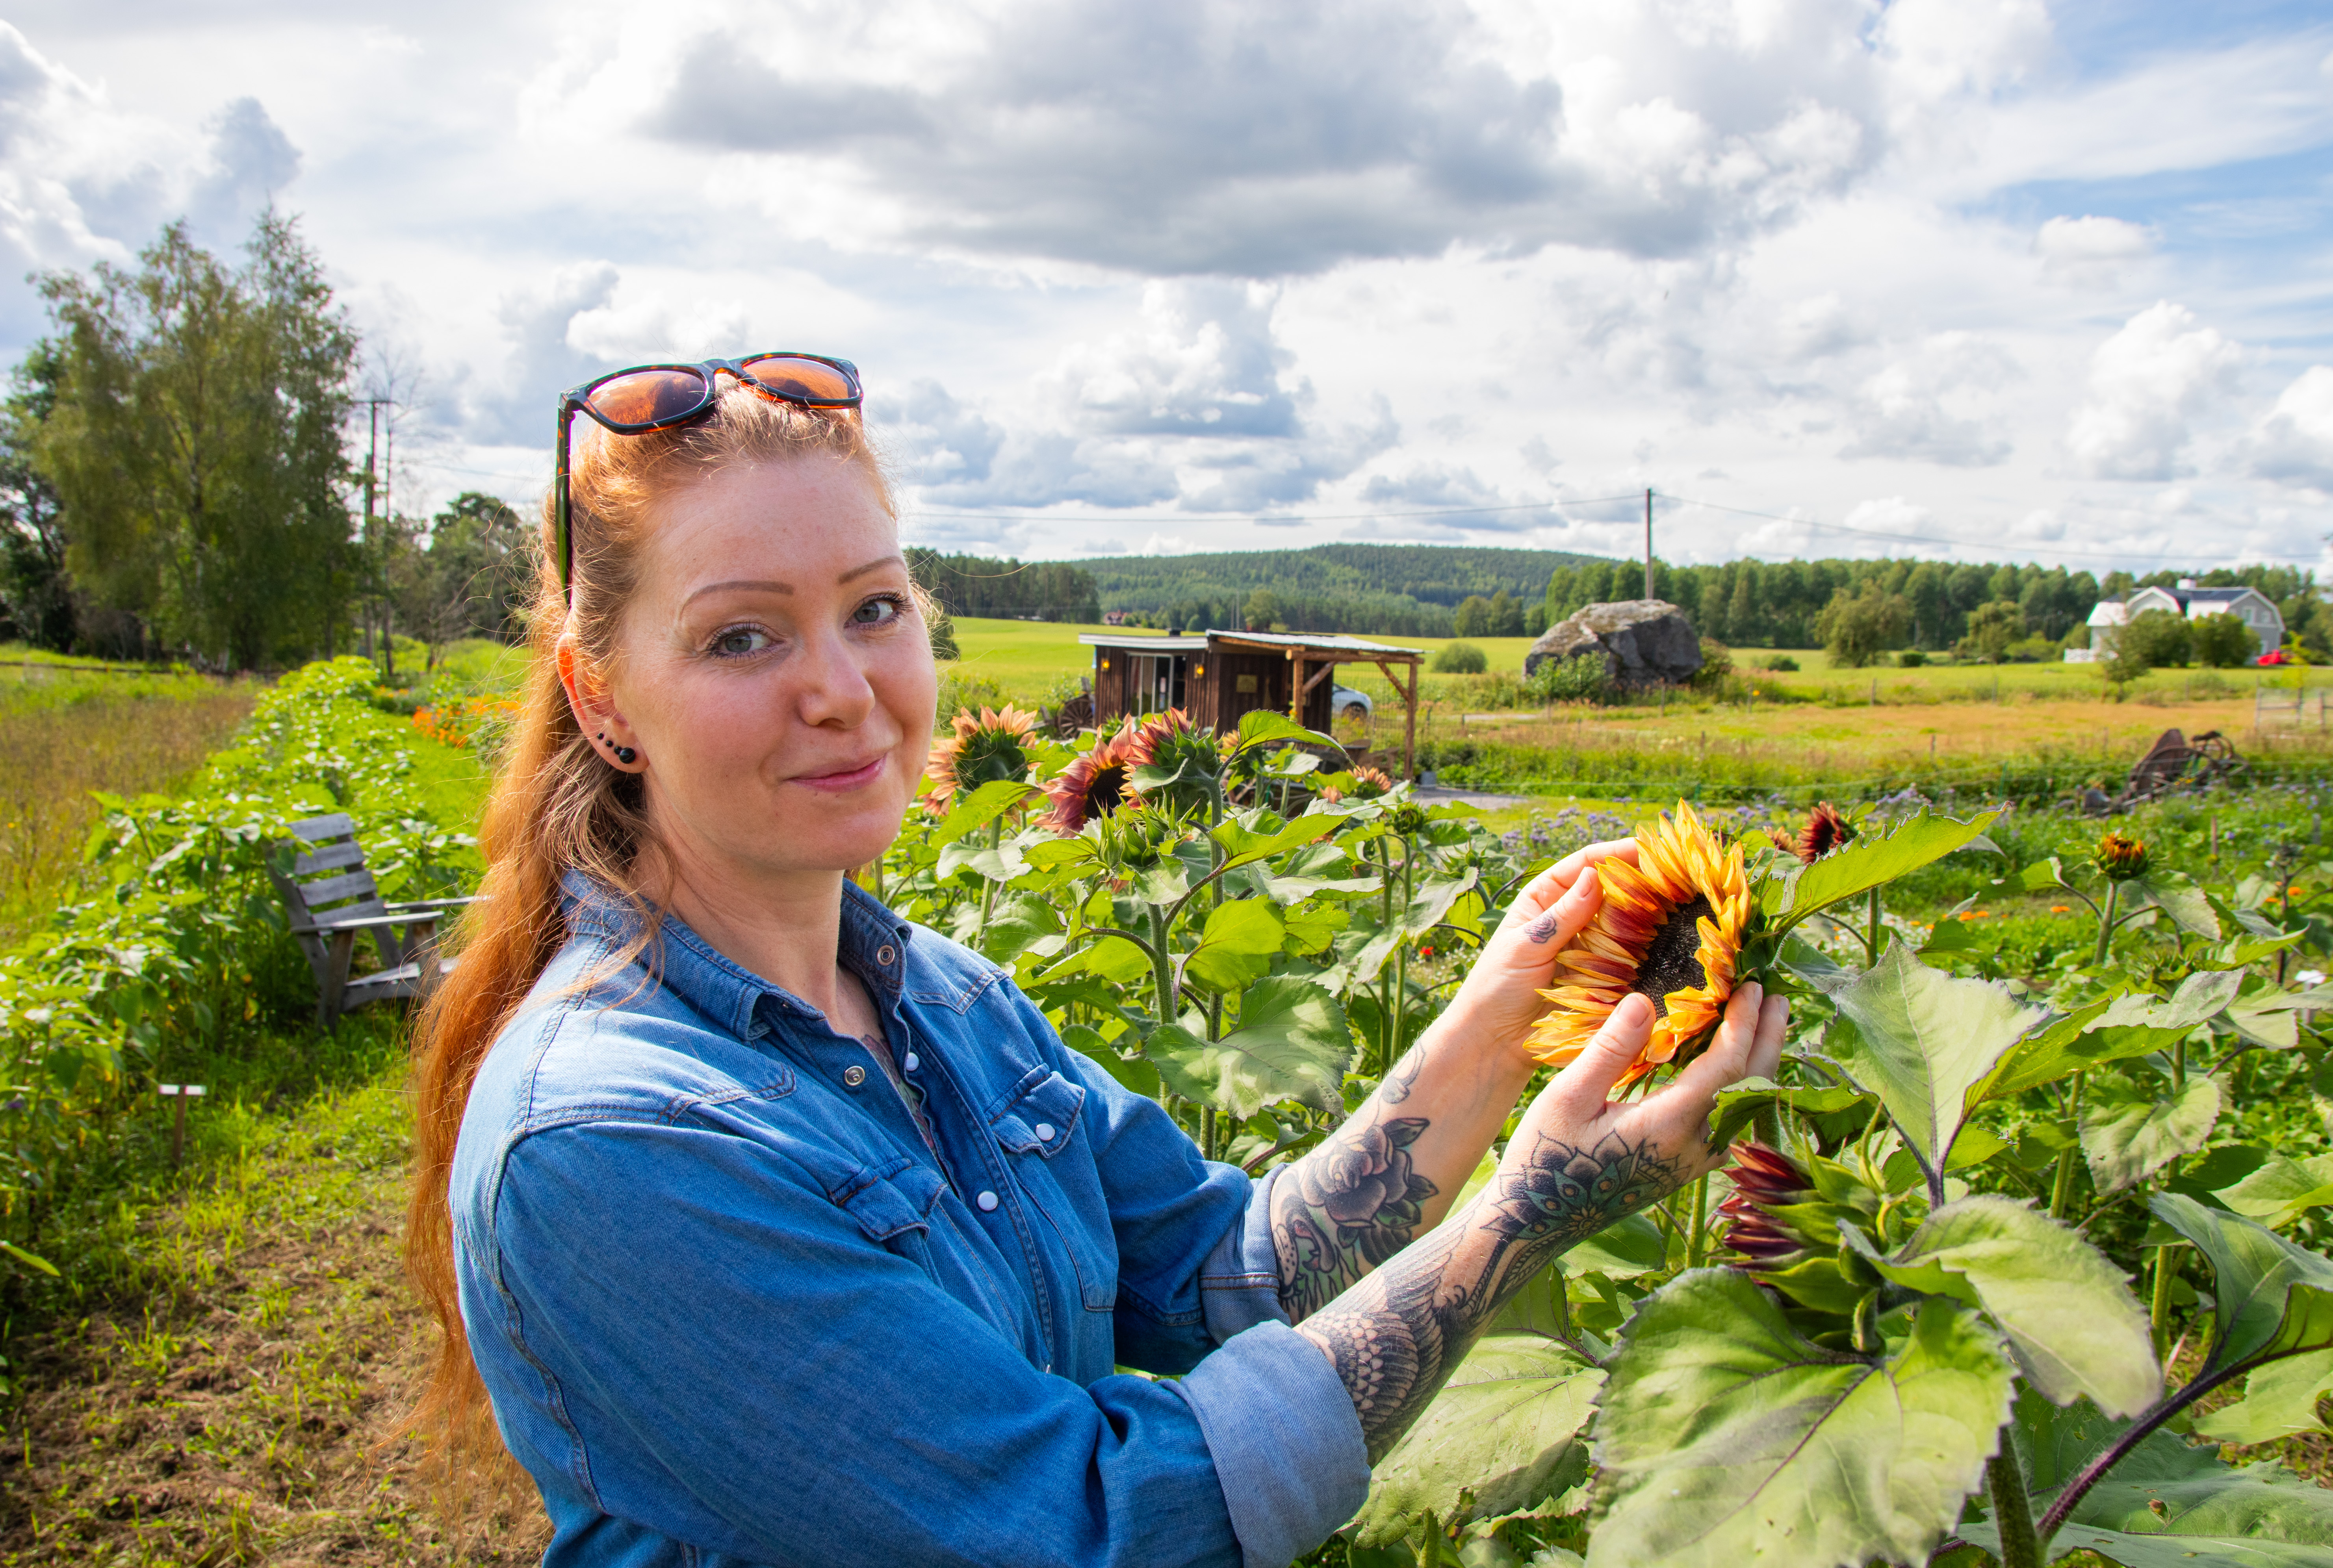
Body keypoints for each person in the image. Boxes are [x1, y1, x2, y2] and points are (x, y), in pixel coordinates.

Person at [407, 354, 1790, 1568]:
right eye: (742, 635)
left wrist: (1503, 1015)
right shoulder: (606, 1143)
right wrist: (1521, 1220)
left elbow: (1223, 1277)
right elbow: (1086, 1522)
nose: (841, 687)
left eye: (874, 609)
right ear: (603, 697)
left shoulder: (944, 1000)